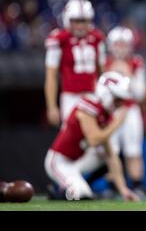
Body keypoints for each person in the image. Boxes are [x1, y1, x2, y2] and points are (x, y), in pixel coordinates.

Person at [44, 71, 140, 201]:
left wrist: (123, 190)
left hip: (77, 161)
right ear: (107, 93)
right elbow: (94, 139)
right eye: (118, 99)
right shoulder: (88, 105)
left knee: (110, 153)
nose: (119, 104)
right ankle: (61, 191)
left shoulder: (105, 115)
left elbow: (110, 155)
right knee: (82, 195)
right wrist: (116, 123)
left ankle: (70, 188)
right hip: (59, 161)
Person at [45, 0, 106, 127]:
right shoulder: (59, 39)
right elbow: (51, 76)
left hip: (92, 95)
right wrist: (51, 105)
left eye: (84, 21)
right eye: (76, 21)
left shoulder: (97, 38)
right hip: (70, 97)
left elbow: (102, 73)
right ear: (67, 19)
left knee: (94, 139)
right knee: (70, 137)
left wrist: (104, 99)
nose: (80, 25)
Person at [105, 26, 146, 193]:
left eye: (124, 44)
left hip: (130, 110)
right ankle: (112, 185)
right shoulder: (104, 63)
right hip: (111, 111)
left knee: (133, 149)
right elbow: (99, 92)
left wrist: (129, 75)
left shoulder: (136, 63)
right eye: (118, 44)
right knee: (111, 150)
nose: (121, 48)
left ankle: (137, 184)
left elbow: (140, 94)